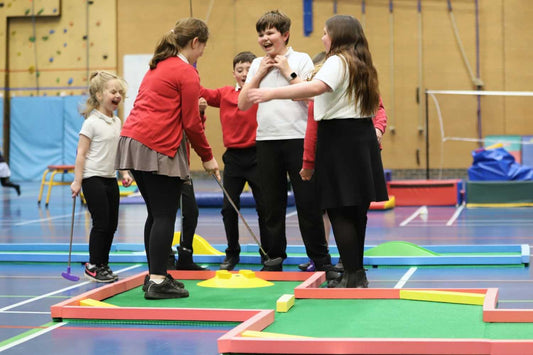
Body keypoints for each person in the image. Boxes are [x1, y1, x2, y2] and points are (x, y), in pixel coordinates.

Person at [247, 15, 389, 288]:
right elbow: (316, 94)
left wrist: (270, 94)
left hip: (339, 139)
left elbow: (315, 88)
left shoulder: (338, 60)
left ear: (338, 36)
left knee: (340, 212)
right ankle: (356, 273)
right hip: (360, 139)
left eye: (325, 33)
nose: (322, 38)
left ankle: (351, 274)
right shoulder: (362, 63)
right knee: (357, 212)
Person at [115, 18, 220, 299]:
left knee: (156, 213)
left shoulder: (159, 65)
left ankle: (155, 274)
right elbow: (191, 122)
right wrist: (208, 157)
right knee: (164, 214)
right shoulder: (185, 72)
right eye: (202, 49)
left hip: (133, 142)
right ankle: (159, 281)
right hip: (156, 145)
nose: (201, 55)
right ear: (195, 42)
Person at [238, 10, 338, 280]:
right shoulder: (257, 63)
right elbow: (243, 104)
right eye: (261, 34)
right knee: (271, 205)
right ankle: (273, 258)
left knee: (309, 203)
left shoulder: (302, 59)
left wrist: (286, 71)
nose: (264, 38)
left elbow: (308, 98)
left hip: (297, 139)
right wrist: (257, 75)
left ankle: (320, 259)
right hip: (267, 141)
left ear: (284, 35)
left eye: (270, 33)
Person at [298, 52, 388, 273]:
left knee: (345, 213)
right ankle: (351, 266)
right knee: (346, 213)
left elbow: (379, 109)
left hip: (349, 155)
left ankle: (352, 267)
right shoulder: (334, 91)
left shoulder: (358, 86)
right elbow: (311, 124)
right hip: (347, 156)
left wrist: (378, 129)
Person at [199, 51, 266, 271]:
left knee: (265, 208)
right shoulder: (224, 94)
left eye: (249, 69)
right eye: (240, 70)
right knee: (229, 208)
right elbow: (199, 91)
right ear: (234, 73)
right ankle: (232, 252)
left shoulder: (262, 94)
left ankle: (268, 252)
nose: (244, 74)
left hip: (258, 156)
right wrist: (189, 66)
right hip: (234, 159)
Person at [70, 71, 133, 283]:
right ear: (99, 95)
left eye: (120, 93)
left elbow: (118, 152)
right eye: (113, 91)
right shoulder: (91, 123)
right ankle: (94, 265)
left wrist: (124, 172)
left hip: (109, 178)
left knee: (112, 223)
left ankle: (103, 263)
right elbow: (81, 153)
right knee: (101, 222)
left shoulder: (116, 122)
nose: (117, 96)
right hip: (91, 178)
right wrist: (77, 181)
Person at [167, 98, 208, 271]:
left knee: (190, 212)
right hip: (165, 168)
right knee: (164, 215)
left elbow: (195, 131)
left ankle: (185, 255)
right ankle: (165, 257)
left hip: (183, 170)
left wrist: (198, 113)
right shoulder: (168, 108)